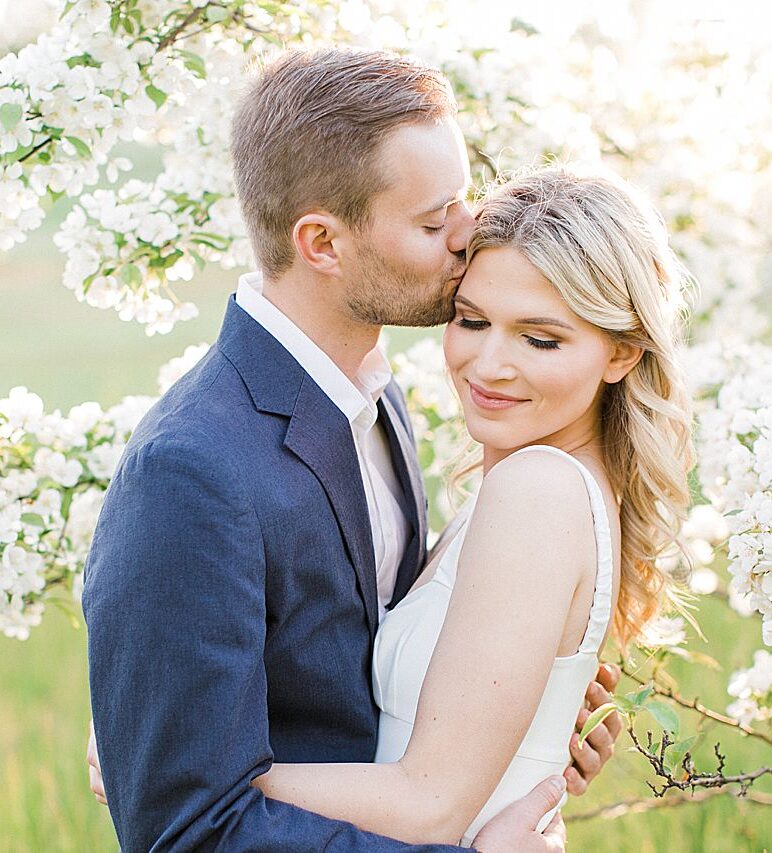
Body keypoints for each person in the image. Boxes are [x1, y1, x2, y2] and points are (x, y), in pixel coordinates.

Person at [82, 49, 621, 852]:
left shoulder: (372, 396)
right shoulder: (192, 470)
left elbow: (369, 672)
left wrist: (520, 716)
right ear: (322, 243)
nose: (469, 232)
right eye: (435, 221)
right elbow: (189, 829)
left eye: (463, 203)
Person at [242, 166, 695, 845]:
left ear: (622, 353)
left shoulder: (538, 491)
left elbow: (428, 803)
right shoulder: (536, 482)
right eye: (472, 320)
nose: (488, 364)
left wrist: (177, 768)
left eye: (540, 338)